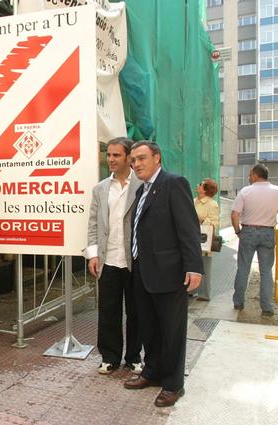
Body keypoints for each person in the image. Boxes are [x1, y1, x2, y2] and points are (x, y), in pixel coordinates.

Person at [123, 141, 203, 408]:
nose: (136, 164)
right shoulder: (142, 190)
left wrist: (194, 266)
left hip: (169, 273)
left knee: (172, 332)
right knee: (150, 328)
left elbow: (188, 229)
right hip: (143, 271)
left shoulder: (173, 183)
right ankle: (152, 372)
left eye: (142, 158)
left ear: (157, 157)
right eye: (133, 160)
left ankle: (173, 384)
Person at [85, 137, 142, 375]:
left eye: (116, 155)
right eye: (108, 155)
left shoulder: (142, 185)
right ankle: (109, 357)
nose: (110, 159)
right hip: (108, 260)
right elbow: (93, 224)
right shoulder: (100, 188)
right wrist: (93, 255)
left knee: (137, 312)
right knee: (108, 311)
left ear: (129, 157)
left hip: (134, 260)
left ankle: (134, 357)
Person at [231, 164, 278, 317]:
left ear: (255, 175)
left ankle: (238, 302)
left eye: (250, 175)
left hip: (248, 231)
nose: (249, 177)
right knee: (266, 271)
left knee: (243, 268)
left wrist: (237, 231)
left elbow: (235, 214)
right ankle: (267, 308)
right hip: (268, 231)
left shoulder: (246, 191)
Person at [194, 178, 220, 301]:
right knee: (191, 264)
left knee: (204, 266)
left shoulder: (212, 204)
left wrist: (201, 221)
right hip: (191, 237)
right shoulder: (194, 201)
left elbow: (214, 223)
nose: (197, 185)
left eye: (200, 184)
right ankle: (191, 290)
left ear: (205, 190)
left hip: (203, 239)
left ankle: (204, 294)